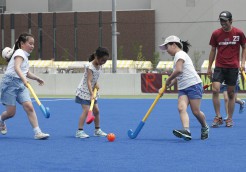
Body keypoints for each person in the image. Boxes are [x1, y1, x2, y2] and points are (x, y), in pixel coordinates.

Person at [159, 35, 209, 141]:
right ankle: (186, 130)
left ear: (173, 45)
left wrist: (167, 80)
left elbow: (179, 71)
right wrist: (165, 87)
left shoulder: (180, 54)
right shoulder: (177, 58)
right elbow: (177, 77)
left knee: (196, 112)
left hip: (193, 85)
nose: (166, 51)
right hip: (183, 88)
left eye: (166, 47)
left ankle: (205, 127)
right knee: (181, 108)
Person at [0, 32, 49, 139]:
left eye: (33, 44)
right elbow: (17, 68)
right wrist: (24, 80)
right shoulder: (19, 53)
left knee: (29, 107)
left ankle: (37, 132)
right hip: (10, 84)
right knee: (11, 113)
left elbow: (25, 72)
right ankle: (1, 120)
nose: (32, 46)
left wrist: (36, 78)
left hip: (21, 84)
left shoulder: (25, 56)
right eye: (30, 43)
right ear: (22, 44)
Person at [207, 11, 246, 127]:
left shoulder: (238, 33)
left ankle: (229, 118)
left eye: (225, 21)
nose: (222, 23)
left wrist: (243, 62)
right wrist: (209, 67)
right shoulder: (216, 34)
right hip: (219, 66)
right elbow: (213, 50)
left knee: (230, 93)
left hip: (233, 67)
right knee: (215, 90)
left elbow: (244, 47)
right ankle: (218, 117)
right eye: (221, 21)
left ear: (231, 21)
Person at [75, 47, 109, 138]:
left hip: (92, 91)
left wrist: (96, 84)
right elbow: (89, 81)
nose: (103, 62)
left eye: (105, 61)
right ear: (96, 56)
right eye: (102, 60)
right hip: (84, 92)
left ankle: (97, 130)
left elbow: (94, 79)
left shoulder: (99, 66)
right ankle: (79, 131)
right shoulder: (90, 67)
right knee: (86, 110)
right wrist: (91, 94)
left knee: (96, 111)